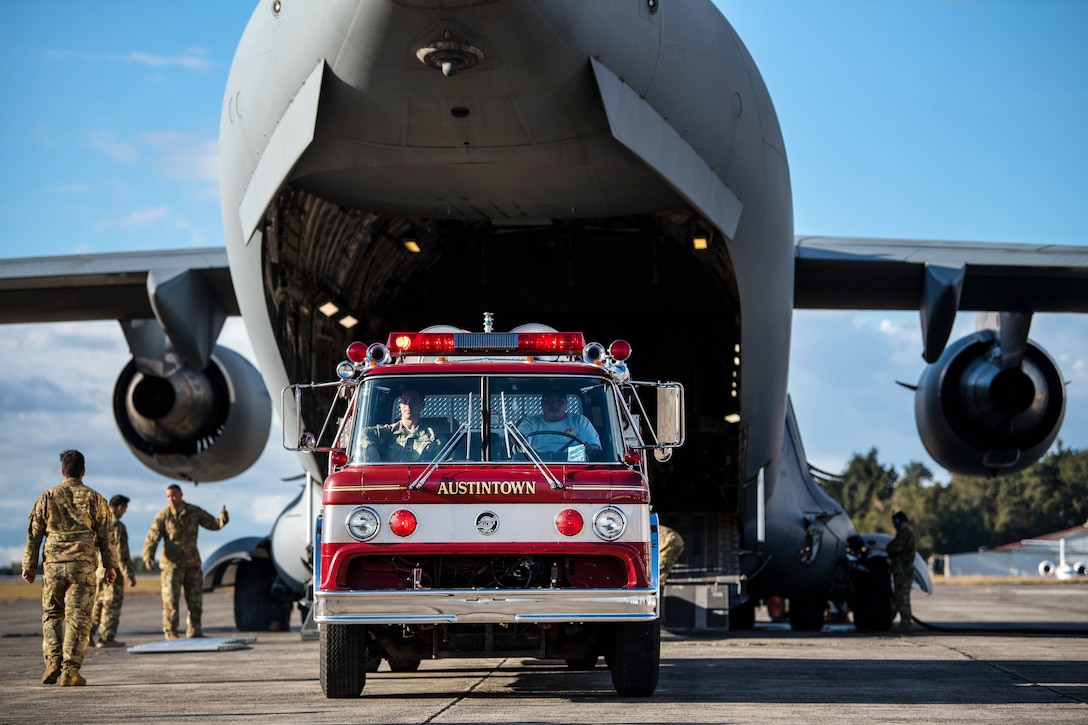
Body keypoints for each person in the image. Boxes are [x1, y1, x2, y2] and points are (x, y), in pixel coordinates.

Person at [22, 450, 118, 686]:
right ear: (83, 471)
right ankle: (70, 672)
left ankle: (52, 661)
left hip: (53, 567)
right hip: (82, 567)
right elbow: (107, 536)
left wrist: (29, 565)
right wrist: (110, 566)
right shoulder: (95, 499)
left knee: (52, 614)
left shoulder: (46, 497)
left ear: (62, 471)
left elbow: (34, 534)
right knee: (78, 618)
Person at [143, 485, 229, 639]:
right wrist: (148, 556)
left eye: (174, 496)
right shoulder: (164, 516)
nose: (171, 499)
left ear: (181, 494)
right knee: (171, 601)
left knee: (195, 600)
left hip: (192, 564)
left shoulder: (194, 512)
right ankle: (171, 632)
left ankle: (194, 631)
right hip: (171, 566)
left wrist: (222, 520)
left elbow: (213, 524)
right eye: (168, 497)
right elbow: (152, 538)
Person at [89, 494, 137, 648]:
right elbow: (121, 553)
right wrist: (129, 574)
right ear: (120, 507)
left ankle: (87, 636)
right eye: (125, 509)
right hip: (112, 572)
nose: (125, 512)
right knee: (112, 605)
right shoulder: (117, 526)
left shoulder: (98, 522)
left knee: (97, 604)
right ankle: (107, 638)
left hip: (98, 571)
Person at [359, 387, 448, 462]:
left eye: (413, 401)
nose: (408, 405)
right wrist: (369, 448)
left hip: (423, 480)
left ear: (422, 405)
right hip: (391, 480)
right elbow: (358, 435)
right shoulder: (388, 432)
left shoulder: (433, 435)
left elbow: (448, 462)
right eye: (404, 401)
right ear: (400, 405)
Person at [517, 387, 602, 459]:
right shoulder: (531, 422)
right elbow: (519, 437)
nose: (554, 405)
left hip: (573, 466)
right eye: (550, 401)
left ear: (566, 405)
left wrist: (590, 448)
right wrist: (519, 439)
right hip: (537, 465)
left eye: (560, 401)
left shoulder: (579, 421)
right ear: (542, 404)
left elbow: (595, 447)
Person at [886, 511, 917, 633]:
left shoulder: (905, 535)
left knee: (902, 597)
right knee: (898, 597)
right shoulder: (901, 535)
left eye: (897, 522)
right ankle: (902, 622)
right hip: (900, 570)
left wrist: (891, 548)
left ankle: (905, 623)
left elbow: (894, 547)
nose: (895, 525)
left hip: (904, 571)